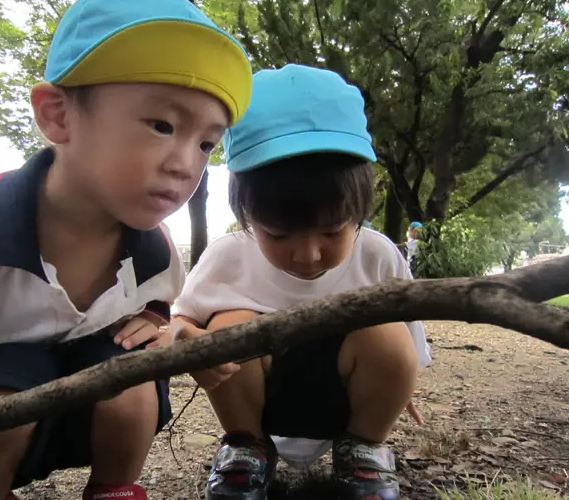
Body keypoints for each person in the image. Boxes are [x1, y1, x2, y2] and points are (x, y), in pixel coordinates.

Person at [0, 0, 252, 499]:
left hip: (93, 409)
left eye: (206, 144)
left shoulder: (155, 250)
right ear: (58, 114)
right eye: (162, 125)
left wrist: (166, 332)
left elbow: (154, 304)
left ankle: (114, 489)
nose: (186, 164)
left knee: (132, 380)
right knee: (3, 387)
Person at [171, 64, 432, 500]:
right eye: (278, 234)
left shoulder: (377, 254)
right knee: (229, 325)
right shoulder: (229, 255)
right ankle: (245, 449)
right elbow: (180, 325)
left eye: (333, 231)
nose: (308, 254)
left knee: (384, 332)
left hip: (347, 404)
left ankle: (363, 452)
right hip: (260, 404)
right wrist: (185, 339)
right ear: (246, 217)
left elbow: (407, 345)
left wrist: (394, 381)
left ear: (361, 210)